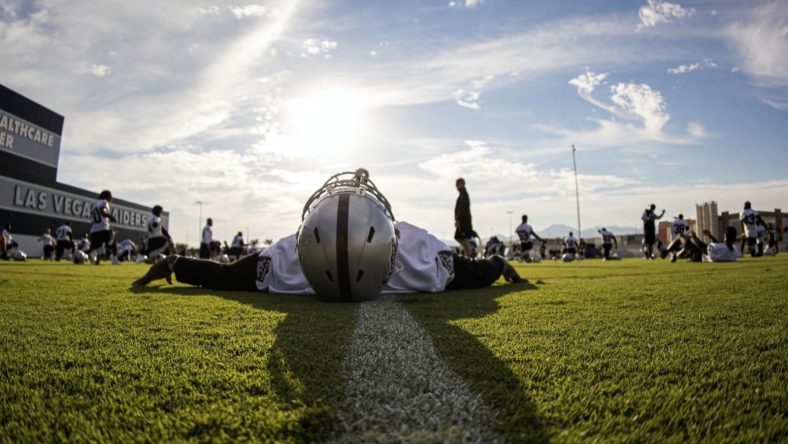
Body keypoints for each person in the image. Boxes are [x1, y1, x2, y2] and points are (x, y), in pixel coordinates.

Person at [133, 169, 525, 300]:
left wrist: (175, 263)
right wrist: (500, 264)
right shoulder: (418, 249)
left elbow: (223, 275)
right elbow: (475, 274)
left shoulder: (287, 257)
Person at [87, 190, 118, 264]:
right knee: (113, 238)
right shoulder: (104, 202)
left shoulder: (94, 204)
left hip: (94, 230)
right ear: (107, 196)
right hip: (103, 229)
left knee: (97, 247)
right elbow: (102, 210)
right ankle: (114, 259)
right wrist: (110, 217)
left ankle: (94, 256)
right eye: (111, 196)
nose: (112, 198)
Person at [453, 178, 474, 257]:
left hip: (463, 222)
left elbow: (462, 209)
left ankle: (469, 255)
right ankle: (468, 254)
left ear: (461, 184)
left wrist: (458, 220)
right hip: (463, 221)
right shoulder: (462, 194)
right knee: (460, 238)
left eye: (457, 184)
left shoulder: (464, 195)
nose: (456, 186)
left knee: (461, 237)